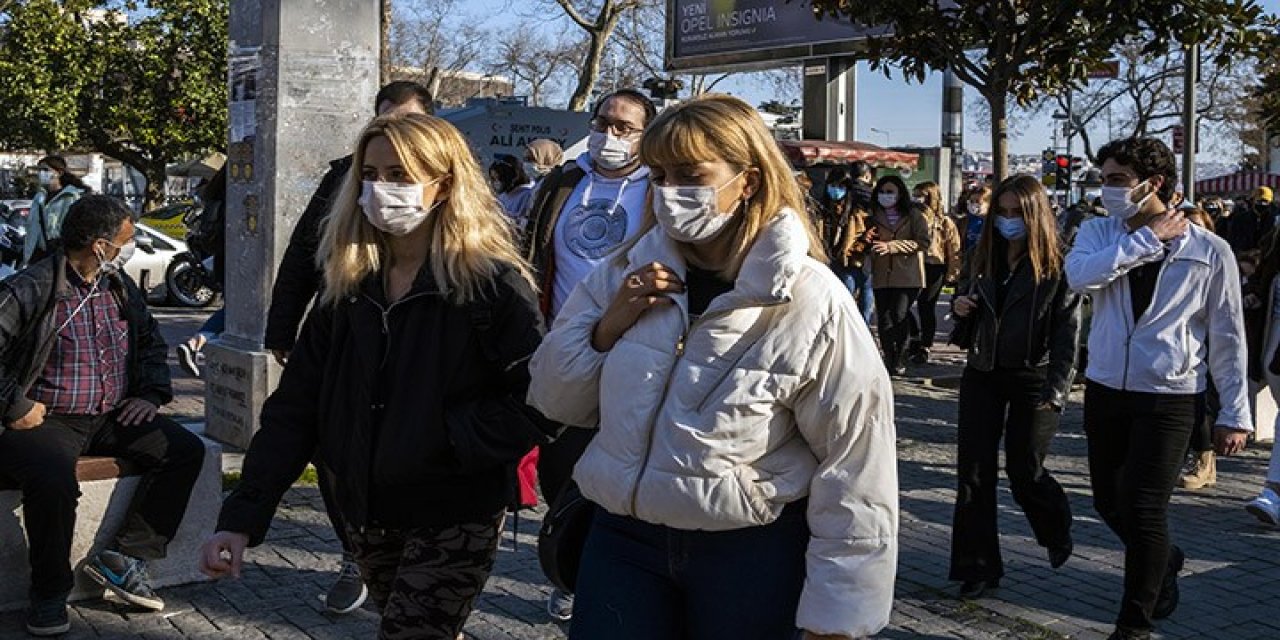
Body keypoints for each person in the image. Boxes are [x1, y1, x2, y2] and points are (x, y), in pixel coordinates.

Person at [526, 93, 898, 640]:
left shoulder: (810, 298)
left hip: (749, 552)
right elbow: (555, 400)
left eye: (691, 174)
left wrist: (839, 617)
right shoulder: (624, 271)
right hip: (624, 541)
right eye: (660, 174)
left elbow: (857, 462)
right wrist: (609, 324)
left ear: (746, 180)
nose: (672, 191)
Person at [200, 113, 553, 639]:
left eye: (400, 175)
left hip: (453, 509)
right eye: (370, 173)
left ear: (444, 184)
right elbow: (296, 406)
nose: (380, 189)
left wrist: (450, 442)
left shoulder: (492, 285)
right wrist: (242, 517)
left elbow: (541, 399)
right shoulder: (346, 281)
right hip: (363, 509)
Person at [1065, 136, 1252, 640]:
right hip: (1106, 388)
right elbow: (1080, 277)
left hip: (1170, 395)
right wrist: (1143, 242)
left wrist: (1236, 411)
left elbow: (1227, 334)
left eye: (1117, 181)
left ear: (1155, 184)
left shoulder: (1210, 250)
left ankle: (1134, 623)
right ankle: (1164, 558)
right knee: (1109, 502)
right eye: (1103, 179)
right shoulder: (1099, 233)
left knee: (1145, 506)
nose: (1107, 190)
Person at [260, 80, 432, 614]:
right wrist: (282, 331)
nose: (383, 186)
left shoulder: (458, 188)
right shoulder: (344, 176)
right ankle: (353, 552)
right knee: (334, 447)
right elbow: (303, 255)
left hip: (420, 353)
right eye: (385, 121)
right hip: (348, 335)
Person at [0, 195, 205, 636]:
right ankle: (50, 592)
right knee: (53, 482)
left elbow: (149, 340)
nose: (127, 249)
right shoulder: (30, 288)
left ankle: (125, 556)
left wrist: (150, 393)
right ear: (98, 245)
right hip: (46, 418)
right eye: (124, 241)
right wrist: (13, 405)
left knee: (183, 450)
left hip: (112, 413)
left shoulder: (117, 286)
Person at [521, 88, 656, 622]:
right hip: (566, 350)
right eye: (603, 122)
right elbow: (531, 255)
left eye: (624, 127)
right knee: (563, 471)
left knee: (622, 468)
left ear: (646, 135)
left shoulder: (658, 188)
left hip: (635, 350)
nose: (610, 134)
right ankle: (569, 568)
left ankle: (610, 572)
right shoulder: (565, 181)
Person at [947, 175, 1081, 599]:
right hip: (983, 371)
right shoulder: (982, 255)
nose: (1008, 221)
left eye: (1017, 213)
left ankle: (1055, 523)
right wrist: (960, 305)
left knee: (1025, 471)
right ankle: (977, 566)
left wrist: (1057, 391)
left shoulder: (1058, 266)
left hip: (1034, 377)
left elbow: (1068, 334)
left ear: (1035, 215)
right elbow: (966, 308)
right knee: (973, 472)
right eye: (1001, 212)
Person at [868, 174, 930, 376]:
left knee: (899, 314)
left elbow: (923, 242)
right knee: (884, 318)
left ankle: (901, 355)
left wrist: (893, 246)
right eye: (882, 192)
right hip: (881, 273)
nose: (886, 196)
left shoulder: (914, 214)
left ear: (899, 193)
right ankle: (889, 356)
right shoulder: (873, 214)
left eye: (890, 192)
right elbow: (863, 237)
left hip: (907, 274)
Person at [908, 181, 961, 364]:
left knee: (926, 305)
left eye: (921, 195)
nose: (917, 199)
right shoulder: (911, 216)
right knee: (904, 304)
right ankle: (914, 336)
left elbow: (953, 249)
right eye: (915, 195)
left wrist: (952, 274)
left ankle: (925, 345)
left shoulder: (944, 222)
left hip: (935, 265)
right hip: (913, 264)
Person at [815, 166, 874, 324]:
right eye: (833, 185)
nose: (836, 190)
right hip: (833, 261)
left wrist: (857, 247)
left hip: (854, 261)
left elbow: (869, 234)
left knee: (858, 303)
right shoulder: (822, 210)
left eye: (841, 186)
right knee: (840, 303)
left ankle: (862, 335)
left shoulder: (858, 211)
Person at [23, 156, 90, 267]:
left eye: (45, 170)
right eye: (39, 170)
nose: (41, 173)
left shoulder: (71, 196)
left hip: (60, 257)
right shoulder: (39, 197)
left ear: (59, 172)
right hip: (38, 255)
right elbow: (32, 228)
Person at [1223, 186, 1276, 253]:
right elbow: (1232, 240)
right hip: (1243, 257)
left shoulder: (1275, 221)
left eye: (1265, 201)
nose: (1262, 204)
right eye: (1259, 201)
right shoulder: (1239, 219)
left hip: (1267, 258)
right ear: (1253, 200)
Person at [489, 154, 536, 228]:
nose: (495, 182)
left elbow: (522, 222)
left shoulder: (527, 195)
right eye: (493, 179)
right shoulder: (504, 194)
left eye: (499, 179)